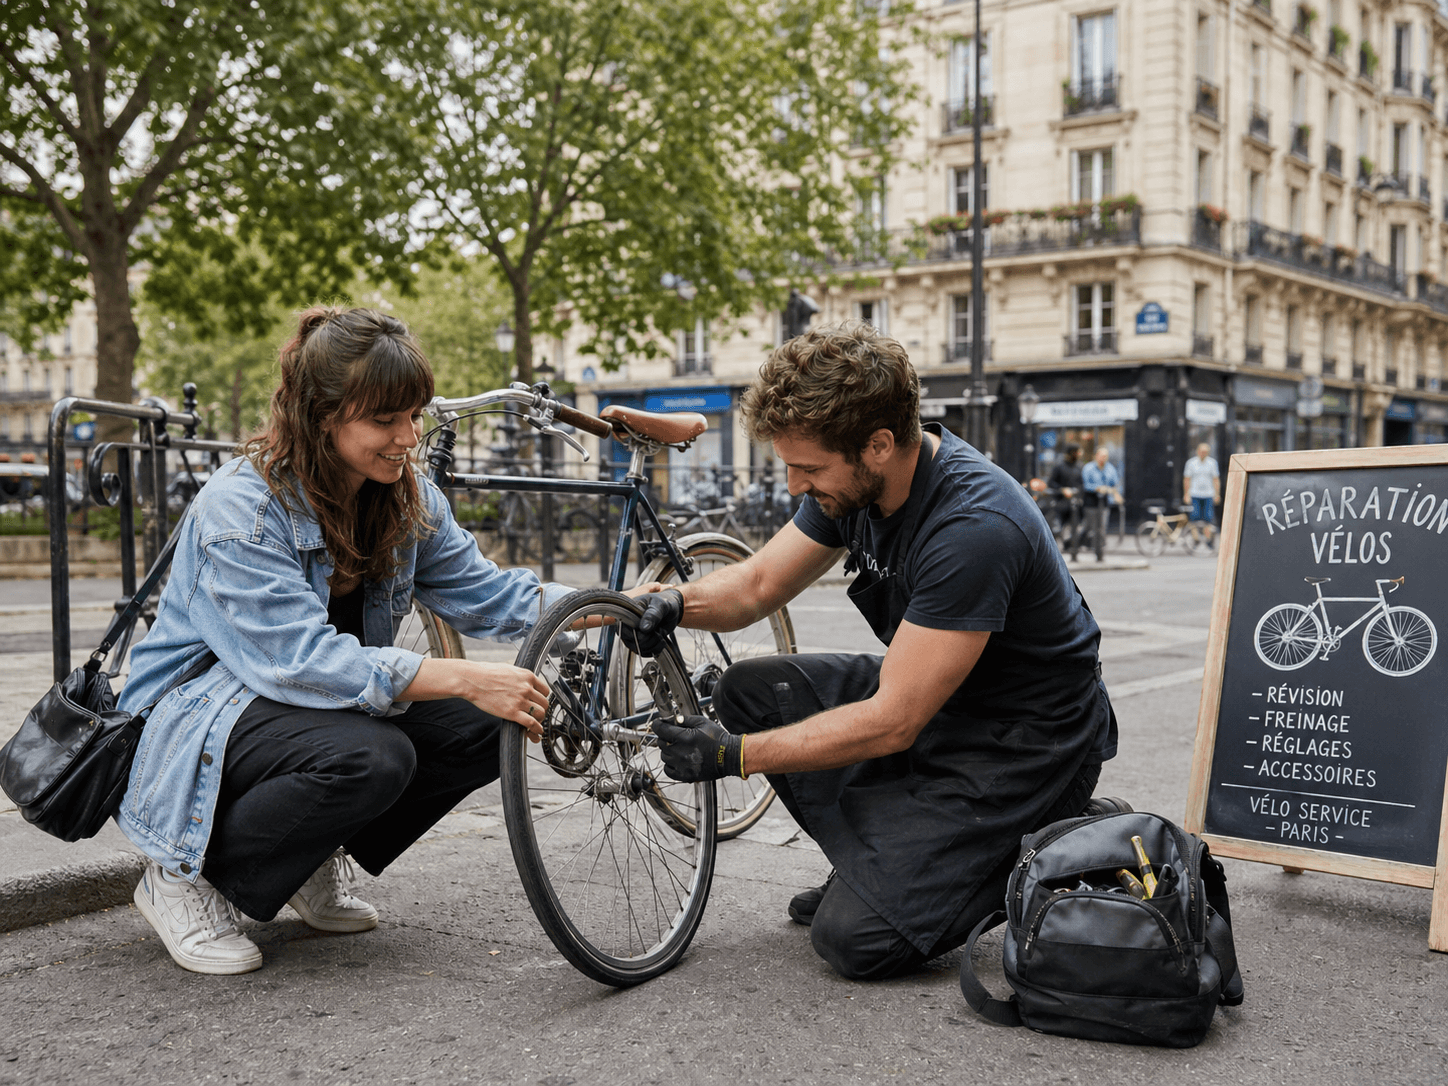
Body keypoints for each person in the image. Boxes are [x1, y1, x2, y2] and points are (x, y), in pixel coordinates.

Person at [118, 306, 655, 975]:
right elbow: (296, 664)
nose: (408, 437)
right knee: (373, 757)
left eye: (415, 415)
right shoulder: (241, 511)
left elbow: (490, 594)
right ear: (321, 416)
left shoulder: (408, 497)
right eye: (385, 420)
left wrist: (619, 606)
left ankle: (305, 856)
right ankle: (180, 876)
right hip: (198, 720)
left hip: (303, 708)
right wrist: (463, 676)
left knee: (501, 720)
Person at [627, 321, 1121, 981]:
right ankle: (885, 869)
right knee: (749, 692)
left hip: (1026, 745)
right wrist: (677, 602)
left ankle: (1070, 834)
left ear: (878, 445)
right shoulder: (855, 481)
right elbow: (758, 583)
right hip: (941, 700)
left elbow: (894, 721)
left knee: (855, 941)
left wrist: (732, 756)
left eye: (807, 469)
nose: (796, 486)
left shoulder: (975, 526)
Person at [1080, 445, 1122, 563]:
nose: (1104, 458)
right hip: (1091, 502)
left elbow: (1115, 484)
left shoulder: (1110, 469)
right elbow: (1085, 485)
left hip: (1104, 503)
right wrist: (1098, 488)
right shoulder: (1088, 468)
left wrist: (1115, 494)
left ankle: (1099, 553)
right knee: (1090, 527)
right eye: (1102, 455)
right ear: (1096, 456)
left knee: (1101, 528)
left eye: (1106, 456)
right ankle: (1075, 545)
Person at [1047, 443, 1085, 559]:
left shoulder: (1080, 467)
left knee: (1075, 528)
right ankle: (1051, 551)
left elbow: (1081, 484)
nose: (1079, 454)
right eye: (1077, 452)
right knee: (1057, 528)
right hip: (1061, 503)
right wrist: (1062, 490)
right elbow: (1051, 483)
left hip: (1075, 504)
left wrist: (1078, 494)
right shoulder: (1059, 466)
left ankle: (1073, 550)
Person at [1182, 442, 1221, 545]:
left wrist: (1217, 494)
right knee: (1194, 517)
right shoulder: (1191, 463)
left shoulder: (1212, 463)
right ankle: (1196, 539)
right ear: (1197, 451)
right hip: (1195, 494)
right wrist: (1186, 494)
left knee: (1208, 518)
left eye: (1206, 452)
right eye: (1202, 451)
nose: (1203, 453)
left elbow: (1215, 479)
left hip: (1208, 494)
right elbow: (1187, 479)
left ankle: (1208, 540)